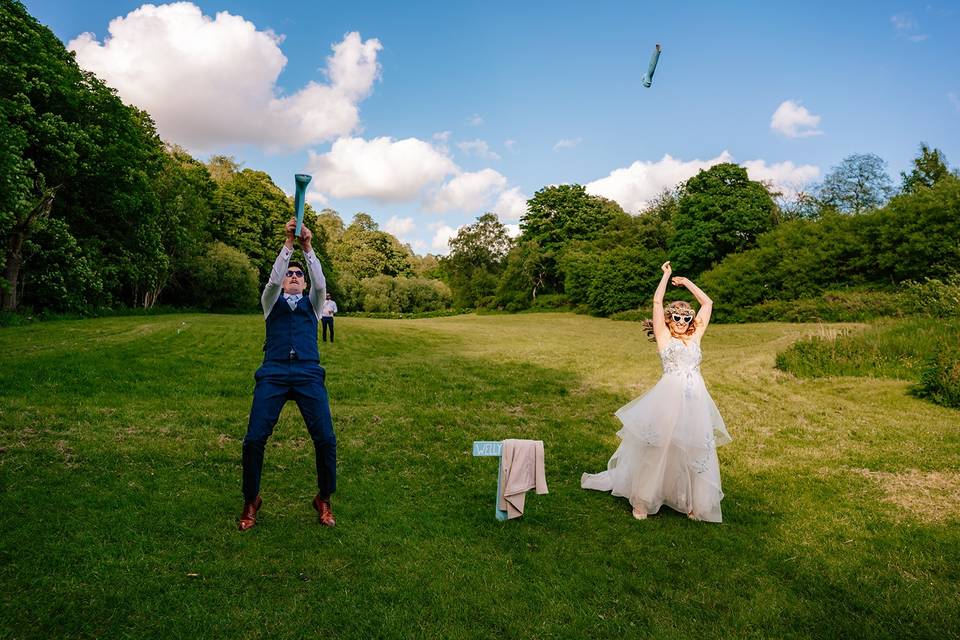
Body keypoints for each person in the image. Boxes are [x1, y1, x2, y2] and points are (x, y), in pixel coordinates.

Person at [581, 261, 732, 522]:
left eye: (687, 317)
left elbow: (707, 304)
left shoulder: (695, 337)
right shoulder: (664, 337)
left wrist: (687, 284)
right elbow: (656, 303)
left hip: (695, 399)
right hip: (668, 398)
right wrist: (666, 276)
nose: (683, 321)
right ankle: (642, 500)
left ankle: (694, 503)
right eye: (677, 317)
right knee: (658, 447)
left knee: (695, 448)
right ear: (669, 320)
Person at [239, 218, 337, 531]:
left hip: (308, 372)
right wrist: (289, 244)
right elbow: (271, 281)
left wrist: (308, 247)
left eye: (299, 274)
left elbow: (321, 284)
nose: (294, 277)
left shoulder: (315, 301)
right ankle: (251, 499)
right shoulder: (271, 302)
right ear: (284, 282)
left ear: (304, 283)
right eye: (290, 274)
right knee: (254, 439)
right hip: (274, 372)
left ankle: (324, 498)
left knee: (325, 439)